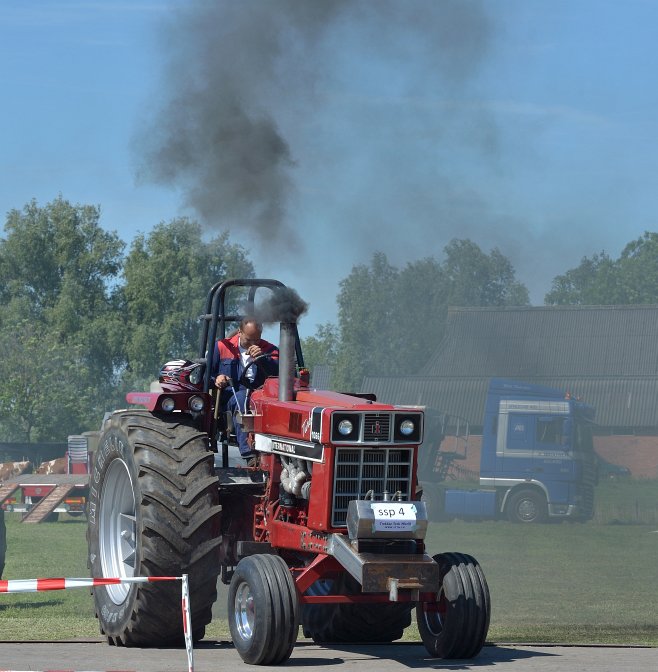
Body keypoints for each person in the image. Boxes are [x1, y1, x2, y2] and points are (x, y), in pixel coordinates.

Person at [211, 317, 279, 461]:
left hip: (261, 394)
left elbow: (278, 374)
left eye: (257, 340)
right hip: (231, 395)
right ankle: (249, 454)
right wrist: (216, 378)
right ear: (240, 332)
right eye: (249, 340)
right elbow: (206, 376)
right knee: (242, 399)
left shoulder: (270, 350)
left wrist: (262, 359)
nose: (253, 345)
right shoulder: (222, 347)